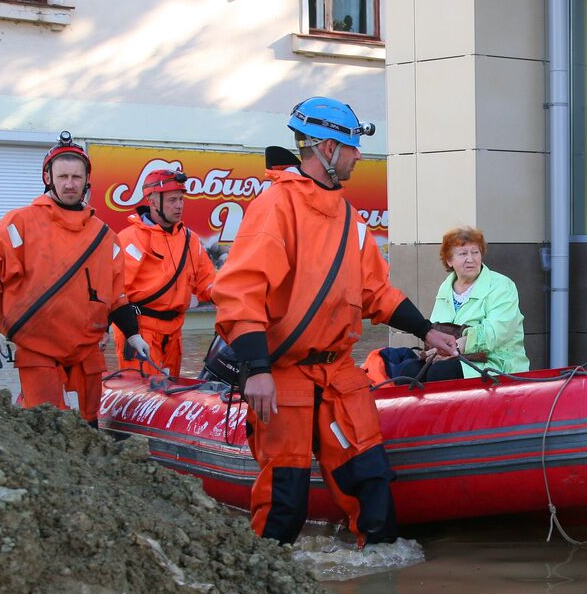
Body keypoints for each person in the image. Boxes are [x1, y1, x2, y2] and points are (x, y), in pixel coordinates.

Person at [212, 97, 458, 546]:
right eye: (351, 147)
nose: (358, 156)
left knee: (371, 480)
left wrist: (427, 330)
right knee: (286, 499)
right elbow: (240, 290)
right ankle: (267, 585)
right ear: (327, 148)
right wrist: (258, 370)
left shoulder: (349, 219)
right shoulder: (275, 208)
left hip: (338, 374)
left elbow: (375, 292)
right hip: (283, 374)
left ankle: (380, 589)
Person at [0, 132, 151, 424]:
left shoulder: (105, 238)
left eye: (76, 177)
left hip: (87, 353)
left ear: (87, 180)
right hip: (37, 351)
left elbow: (116, 296)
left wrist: (133, 333)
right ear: (48, 178)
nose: (69, 184)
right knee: (46, 427)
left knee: (88, 429)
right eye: (62, 176)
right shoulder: (21, 223)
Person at [114, 168, 217, 376]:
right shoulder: (129, 239)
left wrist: (235, 297)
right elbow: (114, 291)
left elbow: (207, 284)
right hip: (140, 332)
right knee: (142, 399)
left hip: (174, 333)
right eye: (172, 200)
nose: (179, 205)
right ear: (152, 202)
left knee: (169, 397)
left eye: (181, 199)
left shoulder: (190, 240)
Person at [415, 227, 529, 381]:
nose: (471, 259)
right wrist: (438, 350)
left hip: (495, 363)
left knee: (440, 373)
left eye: (475, 252)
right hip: (455, 357)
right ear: (449, 260)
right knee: (409, 370)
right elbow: (437, 328)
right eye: (463, 254)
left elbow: (495, 333)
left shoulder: (502, 285)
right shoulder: (445, 287)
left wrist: (453, 349)